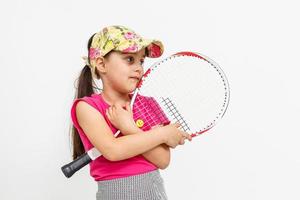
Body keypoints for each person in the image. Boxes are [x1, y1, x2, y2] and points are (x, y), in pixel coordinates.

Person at [70, 25, 192, 200]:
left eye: (141, 61)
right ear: (102, 64)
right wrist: (162, 134)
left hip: (154, 193)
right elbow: (112, 150)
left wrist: (131, 128)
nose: (139, 68)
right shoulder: (87, 107)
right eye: (129, 59)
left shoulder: (148, 104)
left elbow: (163, 160)